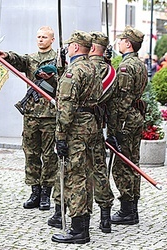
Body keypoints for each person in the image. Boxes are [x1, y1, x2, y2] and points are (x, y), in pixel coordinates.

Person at [0, 26, 60, 210]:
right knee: (31, 153)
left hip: (49, 114)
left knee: (49, 155)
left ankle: (46, 193)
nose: (40, 39)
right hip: (31, 114)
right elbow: (19, 60)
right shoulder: (31, 58)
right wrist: (7, 55)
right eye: (38, 36)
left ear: (52, 40)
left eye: (44, 37)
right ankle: (35, 191)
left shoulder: (58, 59)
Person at [51, 30, 100, 244]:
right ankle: (84, 220)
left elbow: (66, 107)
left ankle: (79, 229)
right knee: (86, 173)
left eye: (70, 44)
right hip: (91, 124)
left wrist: (60, 136)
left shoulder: (74, 71)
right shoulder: (93, 67)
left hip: (76, 128)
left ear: (76, 47)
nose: (68, 47)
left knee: (74, 176)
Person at [106, 26, 147, 225]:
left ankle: (127, 209)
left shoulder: (125, 67)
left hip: (125, 121)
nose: (118, 43)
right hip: (136, 117)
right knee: (133, 162)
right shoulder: (140, 64)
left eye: (121, 40)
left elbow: (122, 99)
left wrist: (115, 127)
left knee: (122, 166)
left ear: (128, 43)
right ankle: (132, 208)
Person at [88, 31, 116, 233]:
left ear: (91, 48)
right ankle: (105, 216)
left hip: (79, 127)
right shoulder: (110, 71)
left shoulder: (84, 68)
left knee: (76, 172)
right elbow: (114, 105)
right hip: (98, 127)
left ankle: (63, 211)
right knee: (100, 170)